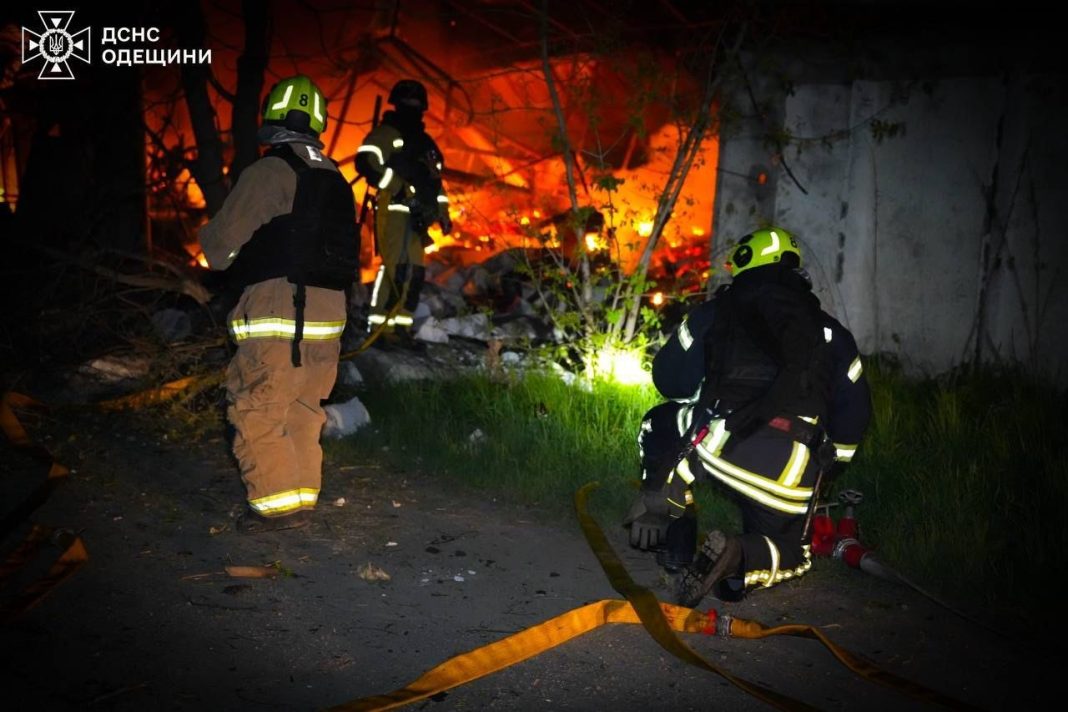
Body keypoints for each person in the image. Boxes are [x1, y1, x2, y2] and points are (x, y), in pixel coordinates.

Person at [623, 226, 872, 606]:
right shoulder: (833, 335)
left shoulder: (717, 310)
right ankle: (740, 558)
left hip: (718, 446)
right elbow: (853, 419)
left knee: (658, 423)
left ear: (744, 262)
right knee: (792, 551)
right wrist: (825, 472)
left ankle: (675, 540)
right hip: (789, 471)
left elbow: (668, 380)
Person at [199, 74, 360, 533]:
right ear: (317, 122)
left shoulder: (268, 172)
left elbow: (218, 250)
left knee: (257, 407)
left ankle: (273, 509)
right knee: (304, 408)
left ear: (273, 118)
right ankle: (300, 497)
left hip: (278, 311)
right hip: (329, 317)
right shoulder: (335, 177)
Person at [354, 78, 452, 342]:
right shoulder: (387, 133)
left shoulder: (427, 144)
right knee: (395, 269)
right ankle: (379, 329)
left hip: (419, 219)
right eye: (407, 102)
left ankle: (401, 328)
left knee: (415, 274)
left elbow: (436, 184)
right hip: (395, 211)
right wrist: (397, 187)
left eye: (416, 102)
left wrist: (444, 213)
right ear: (396, 104)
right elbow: (366, 161)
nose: (412, 106)